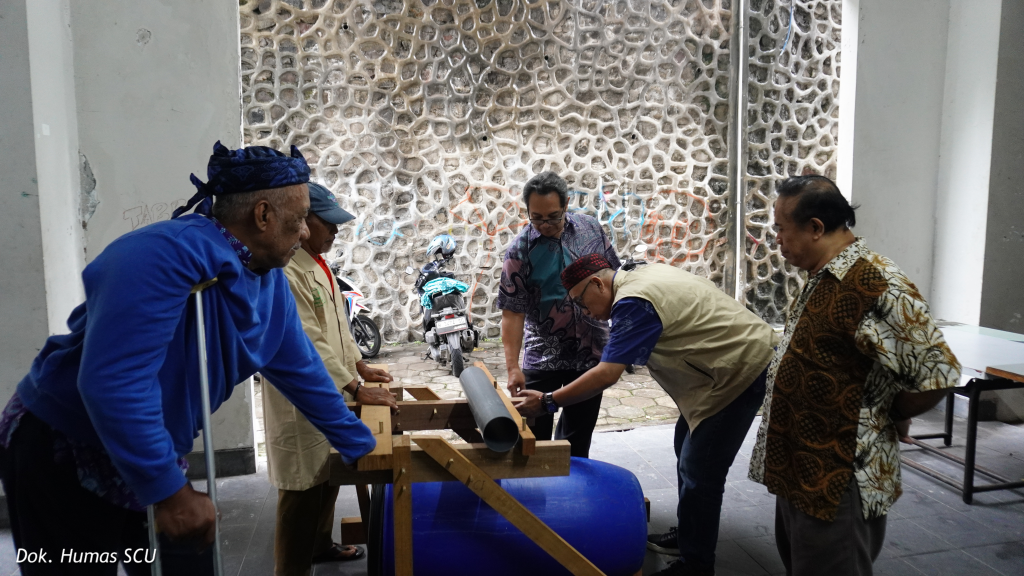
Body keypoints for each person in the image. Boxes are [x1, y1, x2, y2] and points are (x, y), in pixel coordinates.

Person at [0, 142, 377, 576]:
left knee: (184, 560)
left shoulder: (269, 277)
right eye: (297, 221)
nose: (307, 233)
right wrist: (170, 492)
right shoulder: (158, 254)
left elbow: (299, 367)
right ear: (262, 215)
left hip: (151, 443)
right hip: (63, 444)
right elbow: (112, 383)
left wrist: (359, 443)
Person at [747, 175, 961, 576]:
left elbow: (939, 371)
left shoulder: (874, 282)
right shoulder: (824, 275)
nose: (775, 239)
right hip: (801, 466)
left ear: (815, 228)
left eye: (780, 228)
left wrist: (891, 412)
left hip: (838, 473)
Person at [515, 253, 778, 576]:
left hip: (739, 370)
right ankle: (688, 534)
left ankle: (696, 565)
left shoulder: (633, 303)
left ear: (598, 283)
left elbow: (607, 374)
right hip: (717, 371)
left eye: (582, 303)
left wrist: (548, 401)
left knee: (700, 471)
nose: (585, 313)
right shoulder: (636, 275)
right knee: (686, 449)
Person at [263, 182, 397, 575]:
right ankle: (290, 568)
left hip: (333, 387)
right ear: (304, 223)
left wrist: (360, 366)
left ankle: (320, 545)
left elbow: (339, 327)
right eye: (329, 224)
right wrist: (356, 388)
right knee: (301, 488)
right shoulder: (288, 270)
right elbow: (310, 342)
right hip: (301, 398)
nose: (335, 233)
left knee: (328, 475)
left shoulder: (318, 265)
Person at [497, 172, 620, 458]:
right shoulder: (520, 250)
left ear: (566, 204)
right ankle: (536, 498)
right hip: (543, 357)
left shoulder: (591, 228)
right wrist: (513, 367)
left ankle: (570, 496)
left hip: (591, 353)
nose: (545, 225)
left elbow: (614, 279)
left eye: (553, 216)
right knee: (533, 444)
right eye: (536, 218)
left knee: (576, 441)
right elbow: (512, 313)